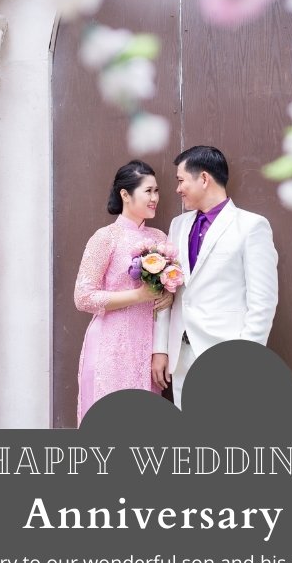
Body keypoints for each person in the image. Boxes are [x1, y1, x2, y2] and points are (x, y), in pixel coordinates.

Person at [152, 145, 278, 408]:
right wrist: (161, 348)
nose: (177, 189)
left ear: (204, 179)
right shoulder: (178, 225)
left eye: (181, 180)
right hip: (181, 356)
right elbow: (167, 291)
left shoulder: (251, 226)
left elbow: (263, 302)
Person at [74, 160, 174, 424]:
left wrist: (168, 296)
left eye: (157, 191)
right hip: (109, 346)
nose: (155, 198)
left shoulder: (161, 239)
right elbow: (83, 297)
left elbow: (167, 296)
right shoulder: (105, 237)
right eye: (148, 191)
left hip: (145, 348)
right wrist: (138, 296)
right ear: (125, 195)